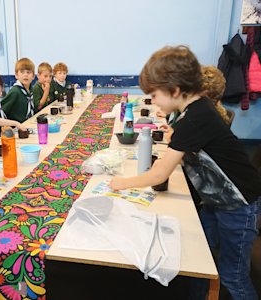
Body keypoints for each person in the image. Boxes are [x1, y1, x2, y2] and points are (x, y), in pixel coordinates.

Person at [110, 45, 261, 299]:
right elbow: (173, 157)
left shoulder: (194, 119)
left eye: (155, 95)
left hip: (239, 206)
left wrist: (122, 183)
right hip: (217, 202)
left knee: (232, 276)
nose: (153, 101)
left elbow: (160, 174)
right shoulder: (194, 110)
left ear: (175, 91)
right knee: (198, 259)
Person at [1, 58, 35, 123]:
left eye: (28, 72)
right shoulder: (15, 91)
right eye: (22, 72)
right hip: (16, 127)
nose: (25, 75)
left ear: (33, 76)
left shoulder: (31, 90)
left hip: (28, 124)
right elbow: (2, 111)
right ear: (16, 75)